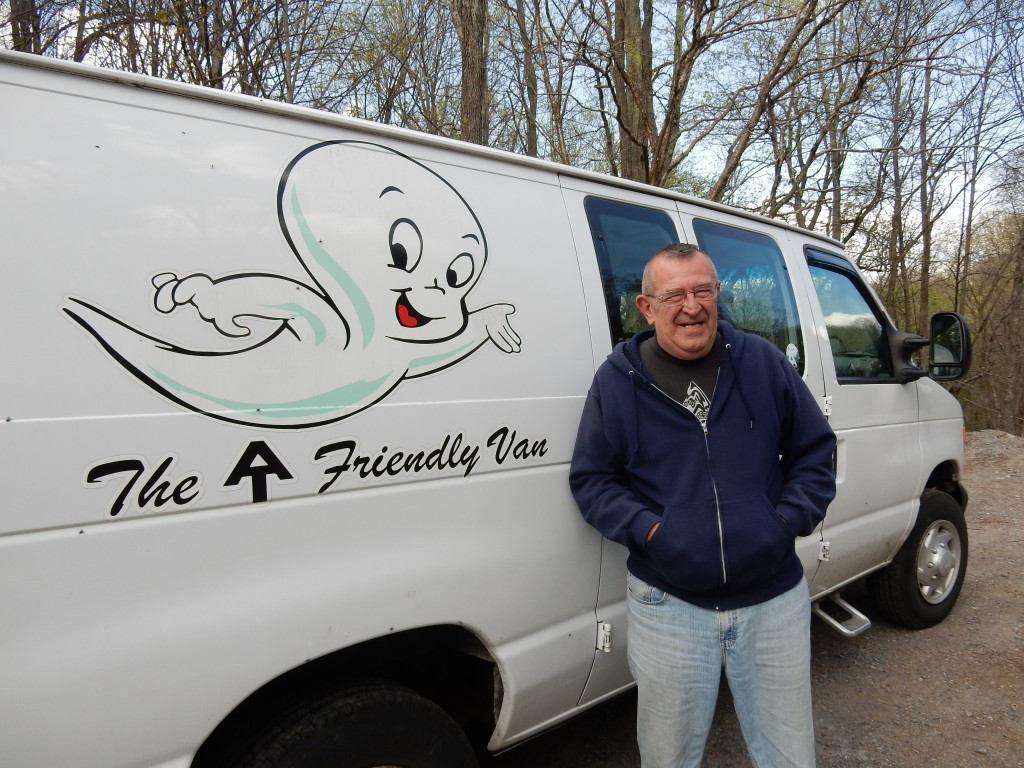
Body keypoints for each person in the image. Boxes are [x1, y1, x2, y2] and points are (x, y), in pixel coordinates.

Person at [569, 243, 836, 768]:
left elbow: (815, 451)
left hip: (773, 602)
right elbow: (593, 479)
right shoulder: (616, 381)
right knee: (668, 759)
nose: (692, 306)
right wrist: (652, 532)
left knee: (790, 756)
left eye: (703, 290)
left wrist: (783, 523)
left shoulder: (762, 361)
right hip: (668, 606)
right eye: (674, 295)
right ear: (646, 307)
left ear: (717, 294)